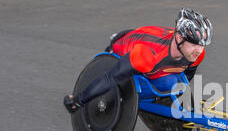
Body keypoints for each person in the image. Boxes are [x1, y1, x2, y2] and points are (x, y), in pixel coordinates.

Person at [63, 8, 213, 113]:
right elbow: (109, 77)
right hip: (124, 47)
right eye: (194, 44)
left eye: (202, 45)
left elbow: (187, 76)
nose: (199, 50)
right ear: (179, 38)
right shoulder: (147, 56)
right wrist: (78, 100)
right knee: (139, 76)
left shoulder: (197, 53)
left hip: (153, 54)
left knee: (171, 85)